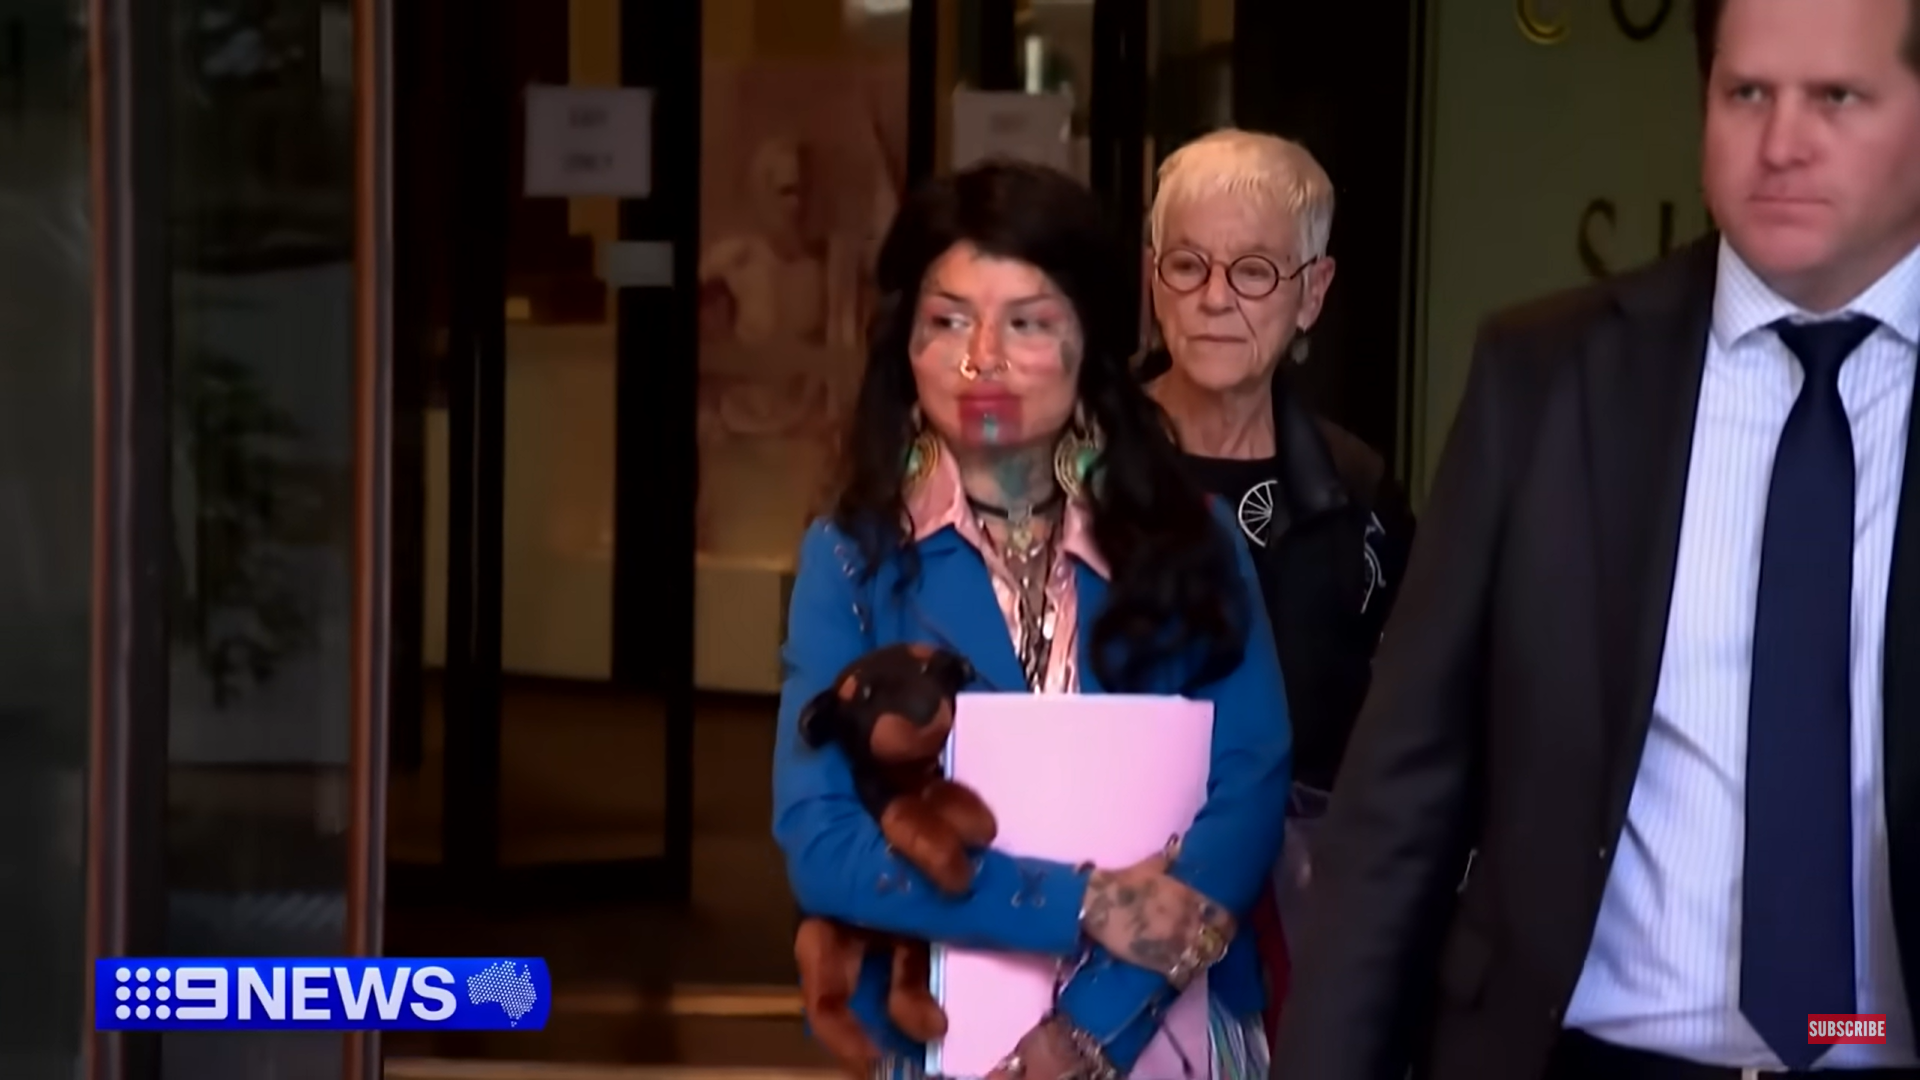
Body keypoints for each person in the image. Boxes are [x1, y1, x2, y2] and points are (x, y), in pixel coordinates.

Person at [1270, 1, 1919, 1078]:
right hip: (1590, 1054)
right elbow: (1401, 800)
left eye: (1837, 98)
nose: (1781, 142)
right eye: (1745, 93)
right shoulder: (1548, 378)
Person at [773, 160, 1291, 1078]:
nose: (982, 359)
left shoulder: (1193, 542)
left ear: (1088, 340)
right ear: (906, 343)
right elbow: (824, 846)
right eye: (948, 322)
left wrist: (1085, 1035)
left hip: (1164, 1025)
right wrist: (1079, 902)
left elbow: (1246, 803)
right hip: (939, 1030)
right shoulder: (851, 557)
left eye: (1027, 323)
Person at [1139, 132, 1415, 1031]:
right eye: (1188, 264)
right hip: (1114, 901)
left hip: (1297, 922)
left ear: (1313, 294)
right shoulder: (1079, 465)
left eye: (1254, 271)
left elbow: (1396, 722)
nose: (1215, 298)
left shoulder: (1355, 487)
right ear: (1153, 278)